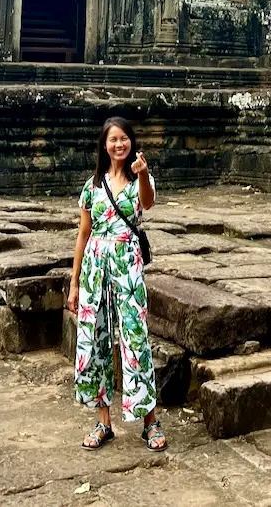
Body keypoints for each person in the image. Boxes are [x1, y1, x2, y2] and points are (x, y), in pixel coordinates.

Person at [67, 117, 167, 452]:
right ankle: (103, 421)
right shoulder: (92, 186)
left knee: (135, 339)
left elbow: (148, 203)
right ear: (104, 145)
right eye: (113, 140)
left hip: (127, 265)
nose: (119, 145)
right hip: (95, 267)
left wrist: (142, 174)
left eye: (124, 139)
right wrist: (74, 284)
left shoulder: (141, 178)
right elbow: (82, 235)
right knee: (96, 343)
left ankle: (149, 422)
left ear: (131, 142)